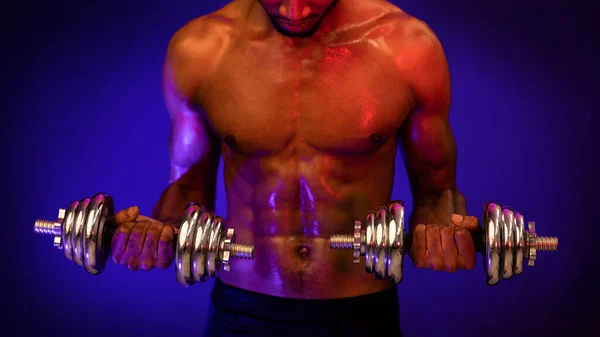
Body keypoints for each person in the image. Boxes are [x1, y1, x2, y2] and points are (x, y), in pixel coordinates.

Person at [109, 0, 480, 336]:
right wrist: (155, 234)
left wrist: (443, 232)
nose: (295, 11)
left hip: (361, 315)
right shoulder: (201, 50)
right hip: (244, 312)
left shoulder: (409, 48)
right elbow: (188, 190)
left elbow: (436, 191)